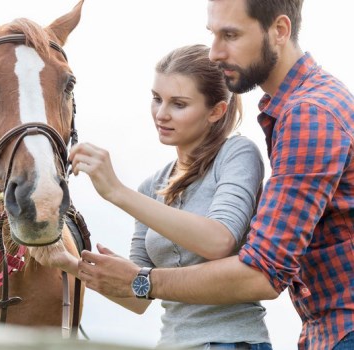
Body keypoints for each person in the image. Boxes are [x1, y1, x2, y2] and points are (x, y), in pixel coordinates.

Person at [74, 1, 354, 349]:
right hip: (325, 329)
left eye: (231, 35)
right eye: (213, 34)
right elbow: (135, 293)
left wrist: (140, 277)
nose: (216, 53)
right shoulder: (295, 111)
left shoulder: (307, 114)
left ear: (279, 31)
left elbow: (263, 272)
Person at [32, 44, 272, 349]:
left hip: (231, 342)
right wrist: (65, 261)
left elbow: (219, 240)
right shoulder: (153, 185)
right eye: (157, 99)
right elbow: (138, 295)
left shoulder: (237, 154)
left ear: (216, 111)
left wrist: (116, 192)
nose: (161, 114)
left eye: (179, 104)